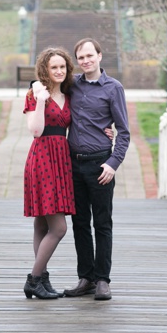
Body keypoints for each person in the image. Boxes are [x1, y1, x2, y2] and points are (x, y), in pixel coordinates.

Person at [63, 38, 130, 301]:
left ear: (100, 56)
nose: (85, 60)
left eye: (90, 55)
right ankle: (86, 278)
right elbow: (48, 85)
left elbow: (123, 132)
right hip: (73, 164)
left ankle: (103, 280)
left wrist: (113, 163)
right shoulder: (73, 85)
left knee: (102, 224)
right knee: (79, 223)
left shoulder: (114, 88)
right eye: (80, 57)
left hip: (100, 164)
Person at [22, 47, 77, 299]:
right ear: (45, 69)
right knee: (58, 228)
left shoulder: (69, 93)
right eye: (53, 67)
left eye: (62, 67)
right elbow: (35, 130)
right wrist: (42, 99)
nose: (58, 71)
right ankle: (34, 279)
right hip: (43, 158)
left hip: (61, 159)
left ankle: (42, 279)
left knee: (42, 224)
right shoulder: (35, 94)